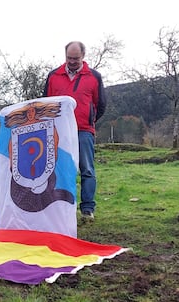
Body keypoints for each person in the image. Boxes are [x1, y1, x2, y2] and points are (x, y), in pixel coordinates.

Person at [43, 41, 106, 221]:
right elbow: (47, 103)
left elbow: (100, 105)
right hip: (58, 132)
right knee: (57, 169)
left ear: (83, 56)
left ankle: (87, 209)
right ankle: (59, 208)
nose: (72, 61)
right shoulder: (53, 76)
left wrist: (88, 120)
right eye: (69, 58)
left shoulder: (94, 77)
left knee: (87, 170)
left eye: (75, 58)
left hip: (83, 131)